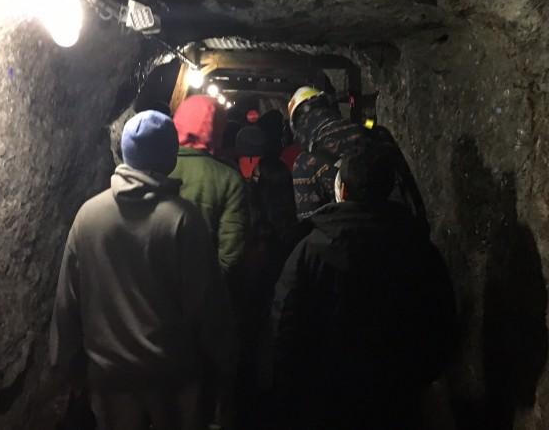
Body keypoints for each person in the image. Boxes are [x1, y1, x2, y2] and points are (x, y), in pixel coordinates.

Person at [49, 110, 235, 430]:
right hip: (172, 377)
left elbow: (68, 302)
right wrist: (225, 359)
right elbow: (206, 304)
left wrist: (65, 364)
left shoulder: (89, 215)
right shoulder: (182, 219)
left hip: (110, 378)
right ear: (170, 155)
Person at [270, 150, 457, 430]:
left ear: (342, 189)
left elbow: (286, 318)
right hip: (397, 389)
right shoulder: (417, 246)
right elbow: (440, 315)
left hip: (327, 388)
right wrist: (424, 374)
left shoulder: (311, 248)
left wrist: (288, 383)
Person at [287, 86, 426, 227]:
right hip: (400, 231)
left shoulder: (305, 163)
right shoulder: (377, 135)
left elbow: (308, 223)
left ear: (298, 125)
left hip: (351, 242)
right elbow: (409, 190)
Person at [171, 94, 248, 278]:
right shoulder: (229, 178)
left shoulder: (153, 165)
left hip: (152, 286)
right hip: (199, 284)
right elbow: (231, 252)